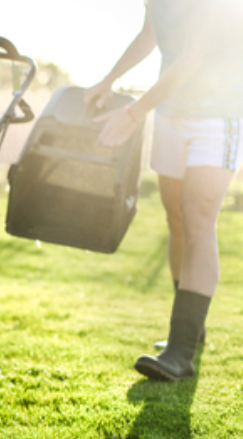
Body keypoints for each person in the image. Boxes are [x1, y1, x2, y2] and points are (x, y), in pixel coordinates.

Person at [84, 0, 243, 381]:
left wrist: (133, 112)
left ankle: (181, 351)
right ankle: (192, 325)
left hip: (219, 113)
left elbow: (191, 59)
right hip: (170, 111)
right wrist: (108, 79)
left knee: (198, 215)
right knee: (175, 216)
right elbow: (148, 35)